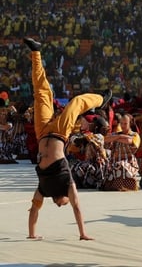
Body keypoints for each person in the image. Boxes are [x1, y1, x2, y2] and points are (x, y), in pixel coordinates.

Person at [24, 37, 111, 240]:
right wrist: (83, 233)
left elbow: (33, 211)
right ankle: (101, 100)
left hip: (43, 131)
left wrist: (32, 235)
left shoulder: (44, 190)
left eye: (60, 205)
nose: (62, 205)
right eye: (65, 204)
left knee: (42, 93)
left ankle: (35, 52)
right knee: (77, 102)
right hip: (61, 133)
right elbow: (77, 207)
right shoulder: (67, 184)